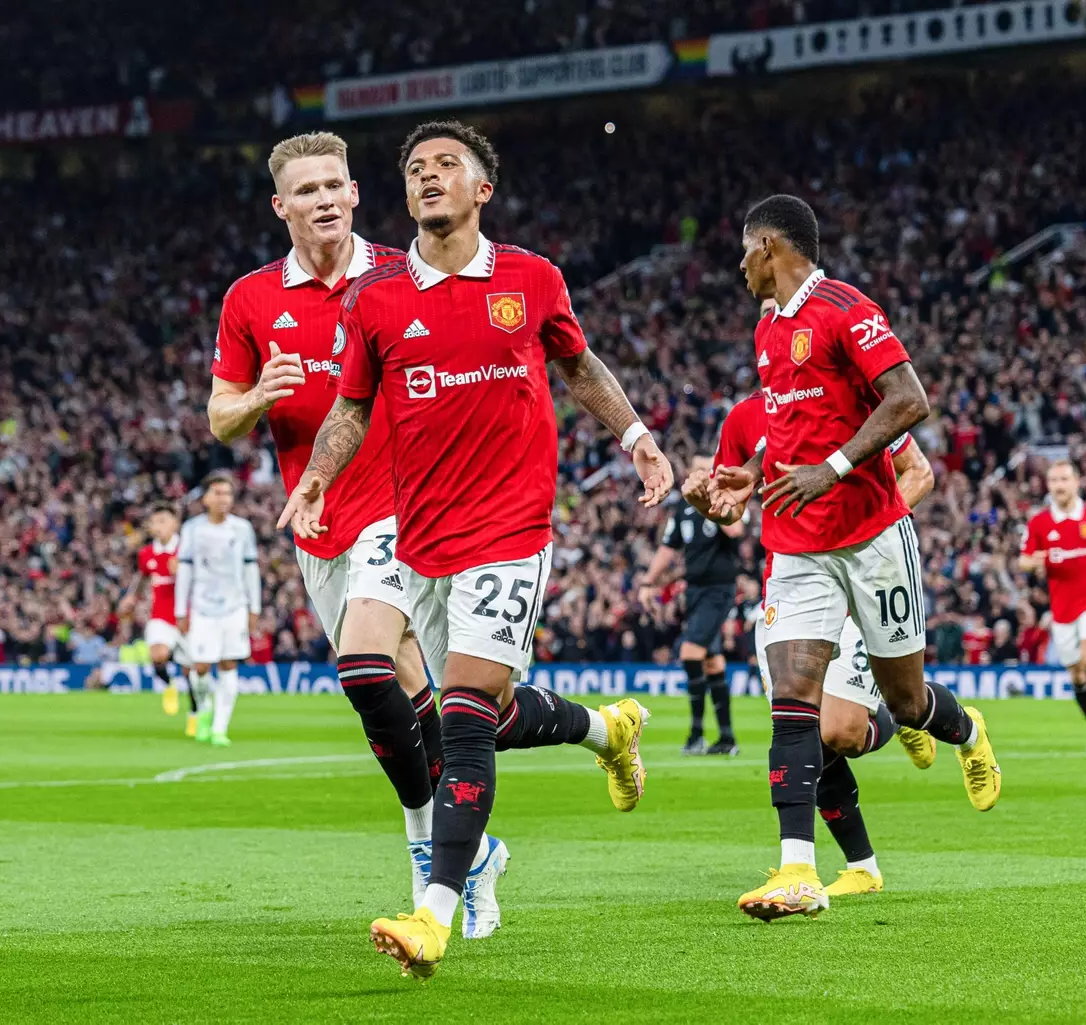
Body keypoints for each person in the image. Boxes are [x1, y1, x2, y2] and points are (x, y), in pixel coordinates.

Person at [279, 119, 674, 976]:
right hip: (409, 531)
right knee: (451, 705)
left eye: (445, 166)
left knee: (461, 722)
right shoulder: (376, 297)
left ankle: (436, 910)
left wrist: (637, 433)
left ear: (481, 189)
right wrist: (314, 477)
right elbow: (350, 409)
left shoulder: (530, 279)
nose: (427, 178)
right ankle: (604, 729)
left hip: (506, 532)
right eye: (415, 169)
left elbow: (580, 367)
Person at [206, 131, 507, 934]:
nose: (327, 199)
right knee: (405, 689)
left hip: (407, 506)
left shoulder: (404, 272)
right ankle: (468, 854)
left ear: (357, 193)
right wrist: (261, 395)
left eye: (337, 184)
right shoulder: (249, 301)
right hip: (319, 522)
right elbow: (220, 417)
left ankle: (430, 854)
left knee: (369, 666)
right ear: (283, 207)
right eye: (308, 191)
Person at [708, 195, 1000, 921]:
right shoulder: (768, 329)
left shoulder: (844, 306)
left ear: (770, 246)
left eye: (745, 250)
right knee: (793, 703)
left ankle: (965, 729)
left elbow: (910, 399)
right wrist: (755, 470)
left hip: (872, 535)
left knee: (906, 702)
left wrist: (833, 468)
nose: (739, 265)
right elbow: (790, 426)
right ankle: (797, 869)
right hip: (798, 543)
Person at [690, 387, 938, 898]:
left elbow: (920, 472)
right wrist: (709, 506)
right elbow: (729, 513)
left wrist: (869, 528)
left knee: (845, 731)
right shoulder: (743, 418)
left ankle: (905, 712)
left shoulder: (847, 399)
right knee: (808, 734)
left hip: (860, 574)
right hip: (793, 587)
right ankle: (851, 868)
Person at [639, 454, 744, 755]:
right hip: (695, 591)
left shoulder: (724, 499)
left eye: (704, 470)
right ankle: (727, 739)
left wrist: (711, 501)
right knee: (712, 662)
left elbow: (735, 530)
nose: (697, 474)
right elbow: (668, 547)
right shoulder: (682, 509)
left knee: (689, 652)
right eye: (694, 469)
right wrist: (648, 582)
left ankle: (696, 734)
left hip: (718, 590)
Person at [1018, 460, 1086, 751]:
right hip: (1062, 609)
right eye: (1053, 480)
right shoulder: (1039, 522)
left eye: (1064, 479)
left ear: (1077, 482)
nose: (1058, 486)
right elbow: (1023, 559)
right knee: (1077, 675)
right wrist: (1033, 563)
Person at [175, 475, 260, 745]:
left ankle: (220, 728)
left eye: (228, 493)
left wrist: (254, 607)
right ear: (206, 498)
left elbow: (250, 568)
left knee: (228, 663)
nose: (224, 498)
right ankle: (203, 710)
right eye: (218, 493)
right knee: (199, 667)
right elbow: (185, 570)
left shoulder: (242, 528)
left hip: (235, 606)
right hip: (201, 606)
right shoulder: (192, 529)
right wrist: (181, 610)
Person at [118, 504, 198, 736]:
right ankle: (169, 686)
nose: (160, 526)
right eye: (156, 522)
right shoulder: (146, 553)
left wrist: (182, 571)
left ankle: (194, 714)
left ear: (175, 524)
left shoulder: (186, 549)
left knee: (190, 671)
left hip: (187, 617)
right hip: (161, 615)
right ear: (151, 527)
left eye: (164, 520)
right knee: (158, 654)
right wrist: (131, 597)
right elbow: (143, 577)